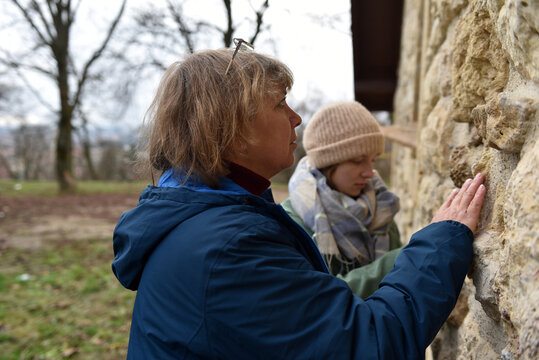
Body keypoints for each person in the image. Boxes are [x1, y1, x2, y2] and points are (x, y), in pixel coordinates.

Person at [112, 41, 487, 359]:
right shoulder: (227, 247)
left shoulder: (217, 224)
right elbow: (367, 340)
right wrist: (439, 240)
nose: (296, 118)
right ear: (233, 130)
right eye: (279, 105)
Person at [281, 101, 402, 298]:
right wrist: (403, 260)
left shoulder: (382, 207)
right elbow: (319, 297)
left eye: (373, 160)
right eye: (357, 161)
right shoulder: (292, 222)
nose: (369, 172)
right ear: (328, 163)